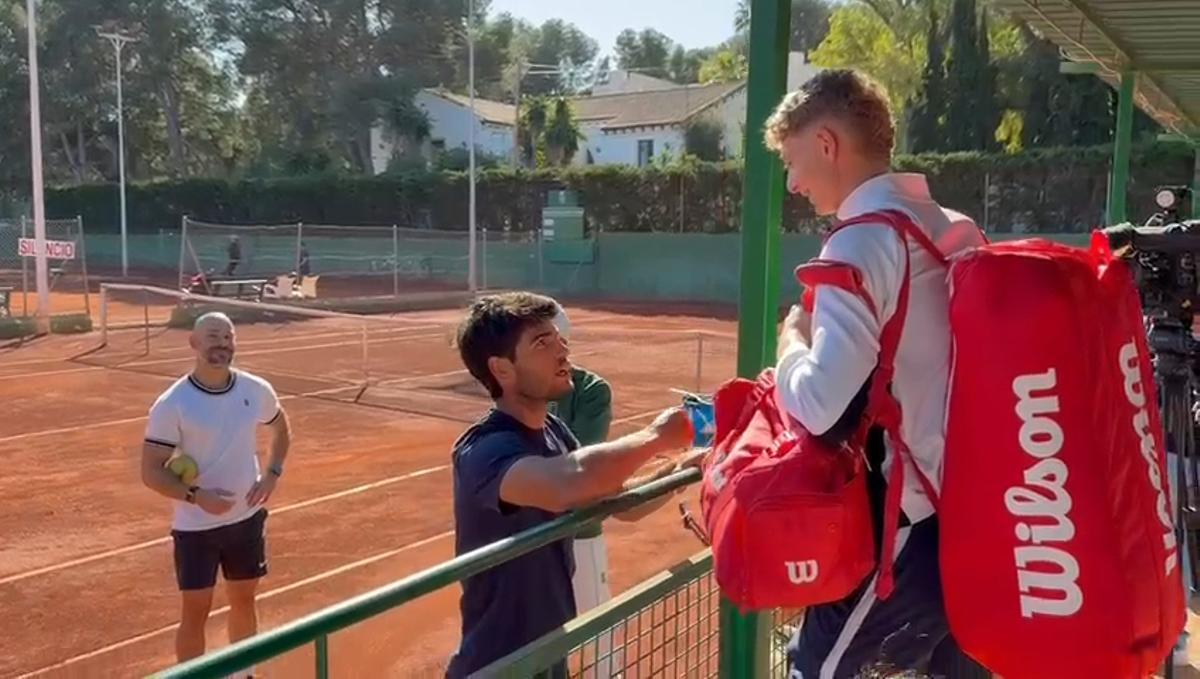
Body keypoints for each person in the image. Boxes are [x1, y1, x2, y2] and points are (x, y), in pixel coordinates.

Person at [764, 70, 989, 677]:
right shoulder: (957, 228)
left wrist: (790, 340)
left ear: (827, 144)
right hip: (974, 516)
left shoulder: (860, 243)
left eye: (793, 159)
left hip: (901, 533)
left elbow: (815, 403)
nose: (793, 181)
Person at [446, 292, 693, 678]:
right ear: (502, 369)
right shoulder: (485, 450)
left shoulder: (553, 431)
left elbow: (618, 502)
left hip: (548, 653)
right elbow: (571, 481)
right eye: (542, 343)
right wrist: (657, 436)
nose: (563, 349)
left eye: (557, 338)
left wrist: (682, 469)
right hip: (498, 666)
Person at [140, 312, 291, 670]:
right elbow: (150, 471)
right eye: (212, 336)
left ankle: (245, 674)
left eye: (227, 336)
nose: (221, 343)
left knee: (244, 600)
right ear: (194, 343)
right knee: (196, 610)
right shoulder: (172, 404)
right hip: (195, 527)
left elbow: (281, 429)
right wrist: (196, 497)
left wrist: (271, 474)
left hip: (246, 519)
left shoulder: (255, 389)